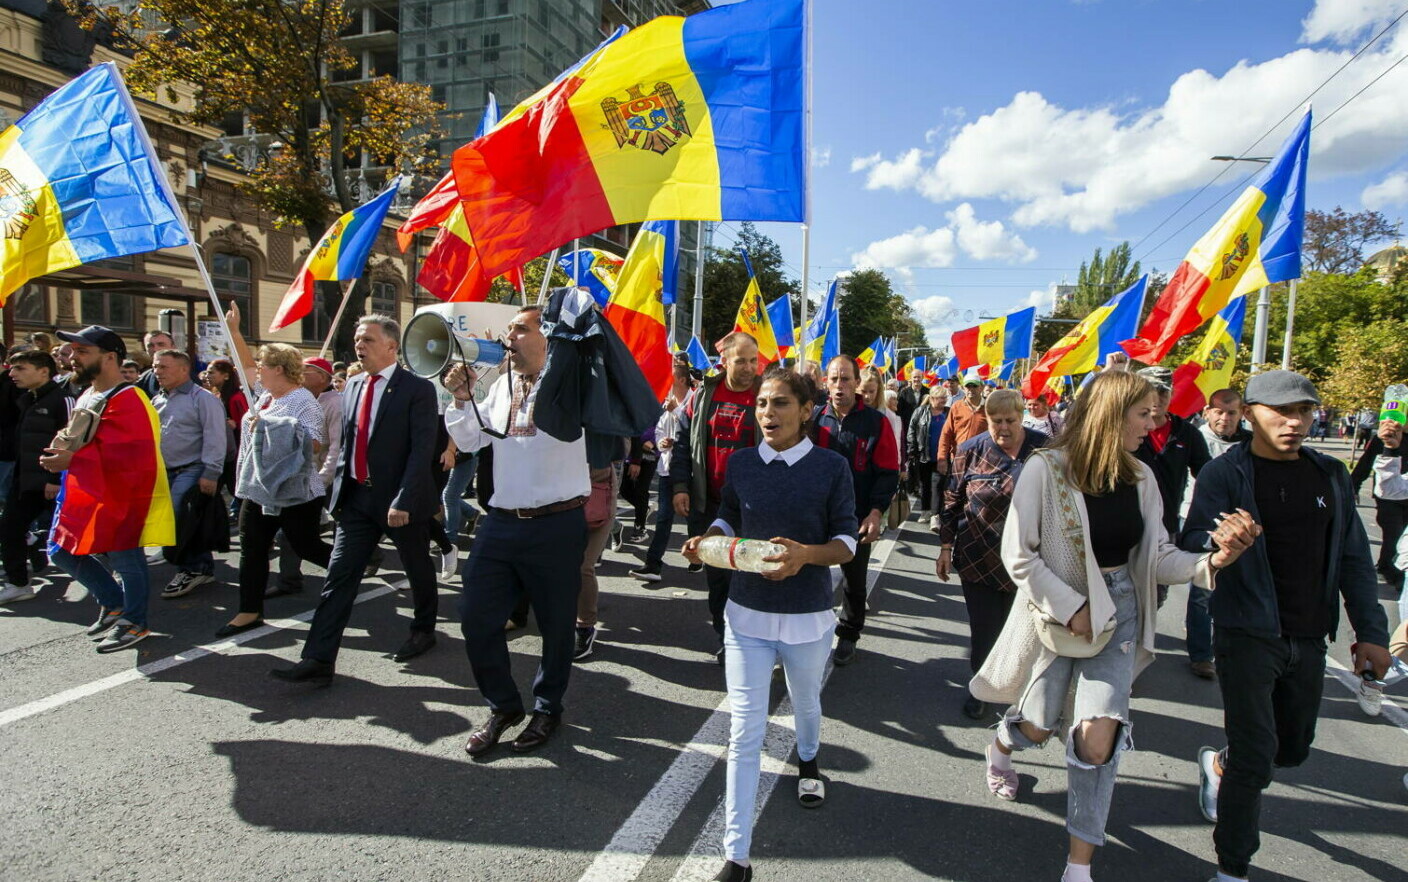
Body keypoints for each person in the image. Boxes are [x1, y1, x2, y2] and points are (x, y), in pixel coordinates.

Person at [970, 371, 1257, 882]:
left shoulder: (1141, 476)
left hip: (1120, 612)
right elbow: (1019, 556)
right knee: (1037, 724)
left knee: (1096, 739)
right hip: (1058, 616)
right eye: (1145, 413)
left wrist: (1211, 562)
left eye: (1156, 413)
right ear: (1110, 413)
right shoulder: (1046, 468)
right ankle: (1004, 743)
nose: (1156, 423)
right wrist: (1071, 606)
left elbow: (1157, 556)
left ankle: (1078, 866)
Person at [1184, 371, 1390, 882]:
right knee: (1258, 756)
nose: (1294, 422)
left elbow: (1353, 558)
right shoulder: (1225, 474)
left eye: (1303, 412)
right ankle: (1233, 868)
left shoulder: (1330, 475)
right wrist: (1221, 544)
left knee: (1291, 749)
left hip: (1310, 635)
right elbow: (1190, 543)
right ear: (1251, 413)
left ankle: (1221, 766)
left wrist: (1372, 631)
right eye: (1282, 411)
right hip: (1245, 633)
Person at [682, 366, 857, 882]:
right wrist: (708, 540)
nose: (766, 413)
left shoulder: (831, 467)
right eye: (761, 403)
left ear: (806, 411)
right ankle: (736, 857)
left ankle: (807, 760)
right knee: (743, 730)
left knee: (806, 703)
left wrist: (806, 556)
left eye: (780, 403)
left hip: (807, 619)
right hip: (746, 617)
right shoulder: (740, 463)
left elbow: (847, 541)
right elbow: (730, 516)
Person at [444, 305, 591, 755]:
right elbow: (471, 441)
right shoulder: (502, 386)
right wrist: (462, 398)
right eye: (508, 329)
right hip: (502, 521)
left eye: (519, 328)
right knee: (475, 618)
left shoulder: (574, 385)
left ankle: (548, 707)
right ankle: (503, 705)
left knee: (556, 624)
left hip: (558, 523)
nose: (508, 335)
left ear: (547, 338)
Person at [267, 311, 440, 684]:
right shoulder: (355, 386)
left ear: (392, 346)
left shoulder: (418, 388)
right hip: (357, 501)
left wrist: (405, 499)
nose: (359, 346)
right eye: (358, 340)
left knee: (417, 567)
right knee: (338, 577)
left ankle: (424, 628)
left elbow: (421, 449)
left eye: (369, 340)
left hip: (400, 503)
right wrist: (334, 490)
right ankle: (318, 658)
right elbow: (346, 443)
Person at [40, 326, 176, 652]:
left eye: (82, 351)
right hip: (82, 490)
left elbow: (130, 454)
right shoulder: (89, 393)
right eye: (72, 351)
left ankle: (135, 622)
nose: (72, 357)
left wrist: (71, 459)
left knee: (127, 560)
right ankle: (115, 603)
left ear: (110, 357)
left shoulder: (130, 397)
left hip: (120, 495)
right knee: (61, 551)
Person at [935, 389, 1047, 719]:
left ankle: (1020, 691)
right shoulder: (971, 450)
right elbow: (952, 501)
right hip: (977, 556)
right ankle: (981, 687)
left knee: (1022, 631)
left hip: (1029, 560)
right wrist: (945, 547)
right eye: (996, 421)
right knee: (984, 630)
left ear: (1021, 416)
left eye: (1010, 420)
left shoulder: (1044, 450)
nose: (1003, 428)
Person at [216, 342, 332, 638]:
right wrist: (234, 330)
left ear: (278, 369)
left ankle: (349, 568)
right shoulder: (264, 396)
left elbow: (314, 444)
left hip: (294, 491)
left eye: (263, 365)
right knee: (252, 550)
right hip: (257, 488)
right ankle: (249, 611)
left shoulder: (303, 400)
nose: (258, 371)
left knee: (306, 546)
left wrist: (270, 426)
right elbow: (245, 367)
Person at [671, 332, 762, 660]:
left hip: (753, 507)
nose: (750, 367)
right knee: (719, 578)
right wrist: (681, 486)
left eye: (754, 360)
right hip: (707, 504)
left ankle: (755, 642)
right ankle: (727, 639)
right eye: (742, 360)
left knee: (752, 575)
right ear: (724, 361)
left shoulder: (765, 395)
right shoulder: (703, 394)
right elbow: (683, 442)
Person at [810, 355, 900, 666]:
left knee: (854, 580)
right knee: (808, 572)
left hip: (857, 516)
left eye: (845, 378)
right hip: (815, 514)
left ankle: (848, 634)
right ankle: (809, 633)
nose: (838, 385)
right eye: (833, 379)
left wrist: (875, 513)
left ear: (857, 382)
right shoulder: (814, 418)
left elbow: (888, 472)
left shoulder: (876, 422)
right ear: (826, 382)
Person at [150, 348, 227, 598]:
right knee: (186, 520)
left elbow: (216, 437)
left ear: (184, 369)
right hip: (165, 470)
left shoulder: (203, 398)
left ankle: (191, 568)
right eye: (155, 366)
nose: (157, 372)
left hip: (193, 468)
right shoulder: (158, 399)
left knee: (180, 516)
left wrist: (211, 472)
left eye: (163, 367)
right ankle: (200, 566)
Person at [0, 350, 72, 603]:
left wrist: (55, 479)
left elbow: (71, 441)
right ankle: (19, 583)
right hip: (26, 479)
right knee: (10, 526)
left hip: (55, 482)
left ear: (43, 371)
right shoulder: (27, 399)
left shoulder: (61, 399)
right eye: (12, 368)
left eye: (21, 368)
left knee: (74, 535)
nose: (13, 373)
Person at [271, 356, 345, 596]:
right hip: (301, 476)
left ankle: (365, 559)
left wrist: (325, 478)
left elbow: (337, 445)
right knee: (292, 532)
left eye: (306, 371)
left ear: (323, 378)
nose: (298, 374)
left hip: (328, 478)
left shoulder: (335, 403)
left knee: (347, 524)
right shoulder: (295, 399)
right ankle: (289, 579)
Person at [631, 362, 695, 583]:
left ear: (682, 380)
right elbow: (659, 429)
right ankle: (653, 565)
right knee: (663, 518)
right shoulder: (667, 399)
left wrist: (675, 411)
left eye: (672, 375)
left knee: (696, 518)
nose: (667, 378)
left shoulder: (694, 399)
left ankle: (700, 557)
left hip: (690, 472)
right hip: (668, 469)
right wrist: (661, 443)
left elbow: (692, 429)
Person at [1351, 410, 1408, 598]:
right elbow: (1367, 463)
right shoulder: (1385, 437)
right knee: (1393, 533)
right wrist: (1354, 485)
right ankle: (1394, 573)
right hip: (1388, 498)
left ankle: (1387, 565)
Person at [937, 370, 989, 482]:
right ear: (963, 388)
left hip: (981, 461)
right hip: (958, 459)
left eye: (974, 386)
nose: (971, 389)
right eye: (968, 386)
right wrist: (942, 458)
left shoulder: (989, 408)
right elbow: (946, 434)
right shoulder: (956, 407)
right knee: (955, 494)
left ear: (981, 387)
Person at [906, 388, 948, 517]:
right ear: (932, 399)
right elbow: (911, 430)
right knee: (924, 484)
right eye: (941, 397)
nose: (944, 400)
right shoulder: (920, 412)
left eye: (945, 397)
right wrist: (912, 449)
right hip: (923, 454)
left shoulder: (949, 412)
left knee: (938, 484)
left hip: (941, 456)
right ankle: (925, 511)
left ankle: (935, 514)